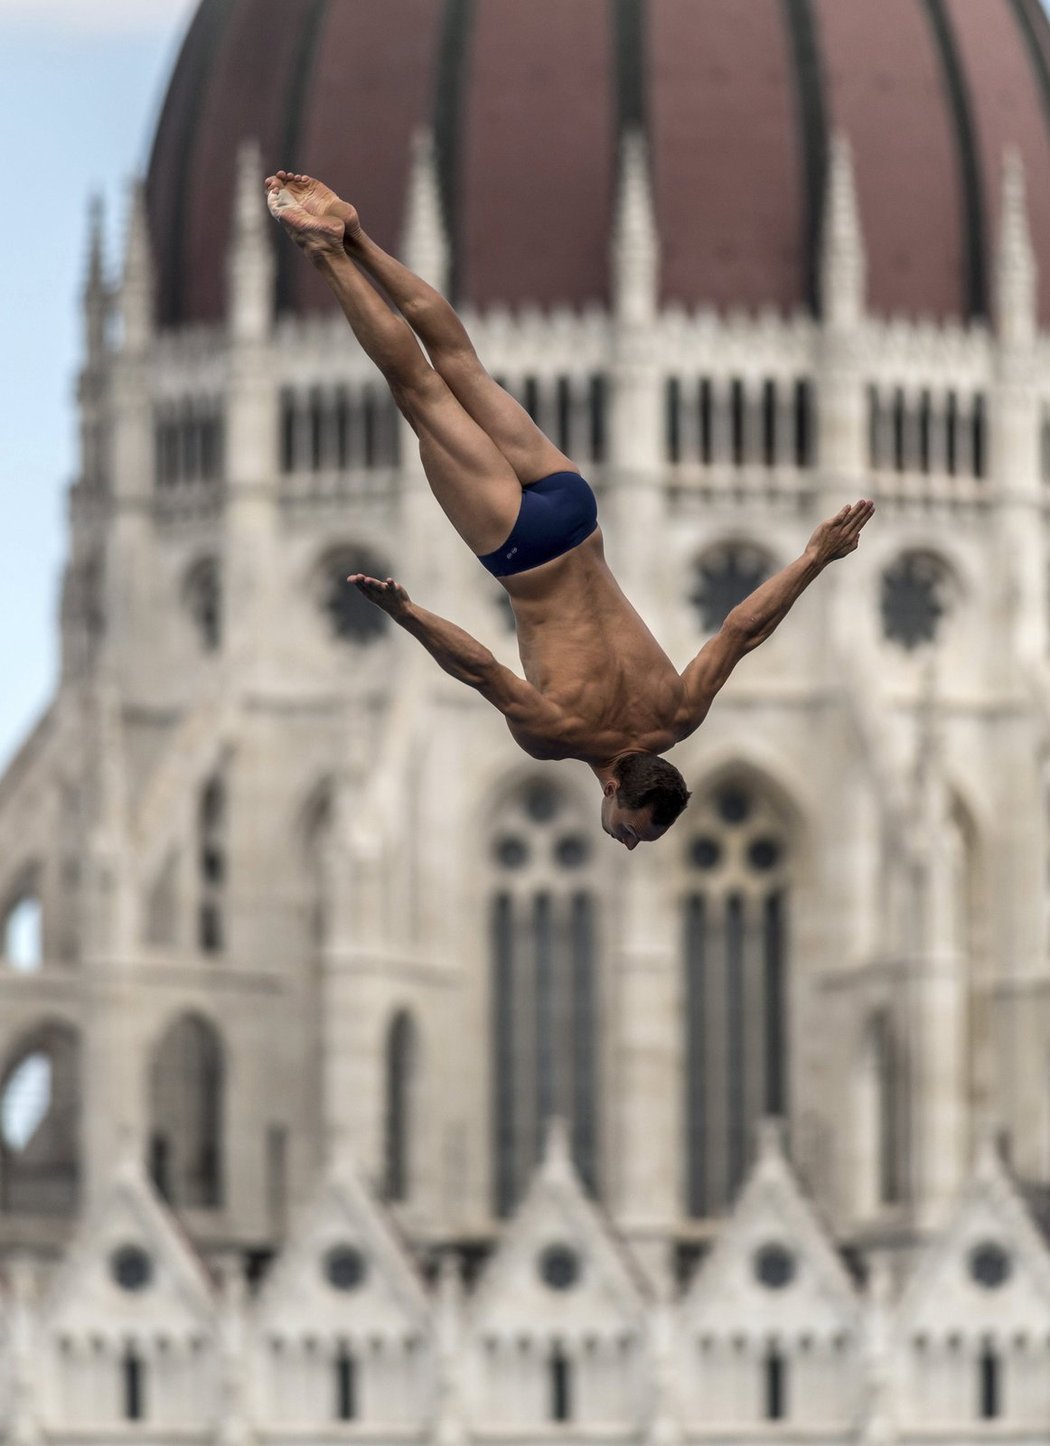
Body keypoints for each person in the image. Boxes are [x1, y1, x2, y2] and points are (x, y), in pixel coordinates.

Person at [265, 171, 875, 849]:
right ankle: (327, 252)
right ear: (615, 789)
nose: (629, 841)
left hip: (577, 514)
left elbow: (741, 630)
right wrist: (410, 616)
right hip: (521, 548)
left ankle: (357, 235)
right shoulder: (560, 737)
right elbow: (480, 669)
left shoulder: (680, 712)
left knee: (461, 364)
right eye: (632, 830)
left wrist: (816, 558)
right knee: (419, 390)